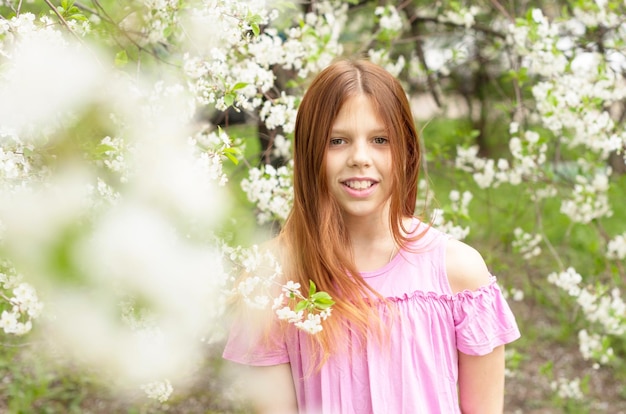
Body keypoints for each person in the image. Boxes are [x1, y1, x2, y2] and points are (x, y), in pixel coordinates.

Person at [223, 59, 521, 413]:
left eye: (380, 140)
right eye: (337, 141)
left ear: (407, 151)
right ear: (308, 153)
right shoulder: (272, 281)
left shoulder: (459, 274)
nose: (360, 158)